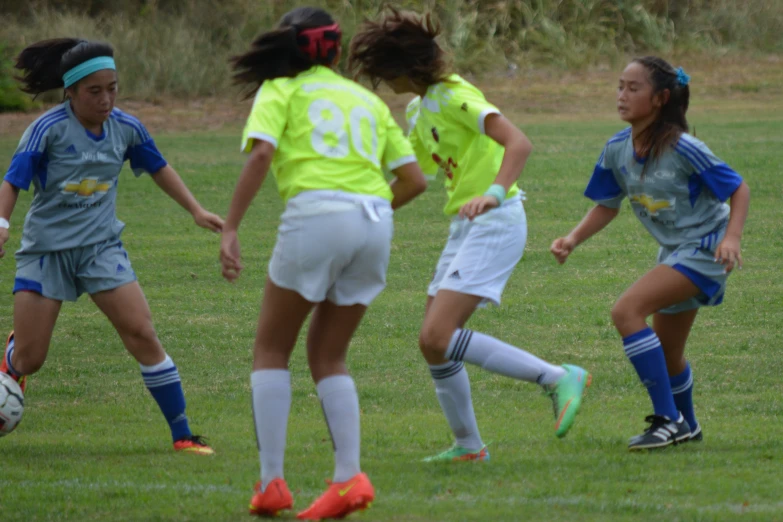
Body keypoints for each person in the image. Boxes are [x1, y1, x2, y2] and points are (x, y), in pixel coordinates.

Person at [348, 8, 591, 463]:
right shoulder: (421, 108)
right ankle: (467, 446)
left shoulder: (455, 95)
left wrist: (495, 194)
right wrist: (363, 209)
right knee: (432, 341)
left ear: (404, 67)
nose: (381, 81)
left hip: (496, 221)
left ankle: (557, 377)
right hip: (465, 226)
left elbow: (518, 142)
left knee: (438, 336)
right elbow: (412, 178)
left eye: (383, 71)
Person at [220, 6, 427, 519]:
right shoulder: (365, 99)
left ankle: (272, 484)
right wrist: (367, 212)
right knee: (328, 355)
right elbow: (414, 181)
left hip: (317, 214)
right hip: (376, 220)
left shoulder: (281, 89)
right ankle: (348, 478)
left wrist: (230, 227)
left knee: (270, 349)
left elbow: (262, 154)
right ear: (335, 49)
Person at [0, 38, 223, 455]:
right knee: (32, 360)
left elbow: (159, 167)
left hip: (101, 248)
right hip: (46, 252)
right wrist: (1, 223)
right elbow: (13, 181)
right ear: (70, 91)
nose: (106, 100)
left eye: (113, 88)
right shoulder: (46, 130)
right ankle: (14, 356)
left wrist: (196, 210)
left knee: (142, 332)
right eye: (94, 91)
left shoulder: (126, 127)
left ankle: (182, 434)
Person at [550, 56, 749, 450]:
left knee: (626, 311)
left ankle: (667, 420)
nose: (622, 95)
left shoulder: (684, 147)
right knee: (670, 350)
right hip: (676, 251)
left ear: (659, 98)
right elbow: (607, 204)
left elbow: (738, 188)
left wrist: (732, 239)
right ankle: (687, 425)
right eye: (620, 86)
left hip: (706, 249)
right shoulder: (616, 149)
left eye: (633, 88)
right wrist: (572, 239)